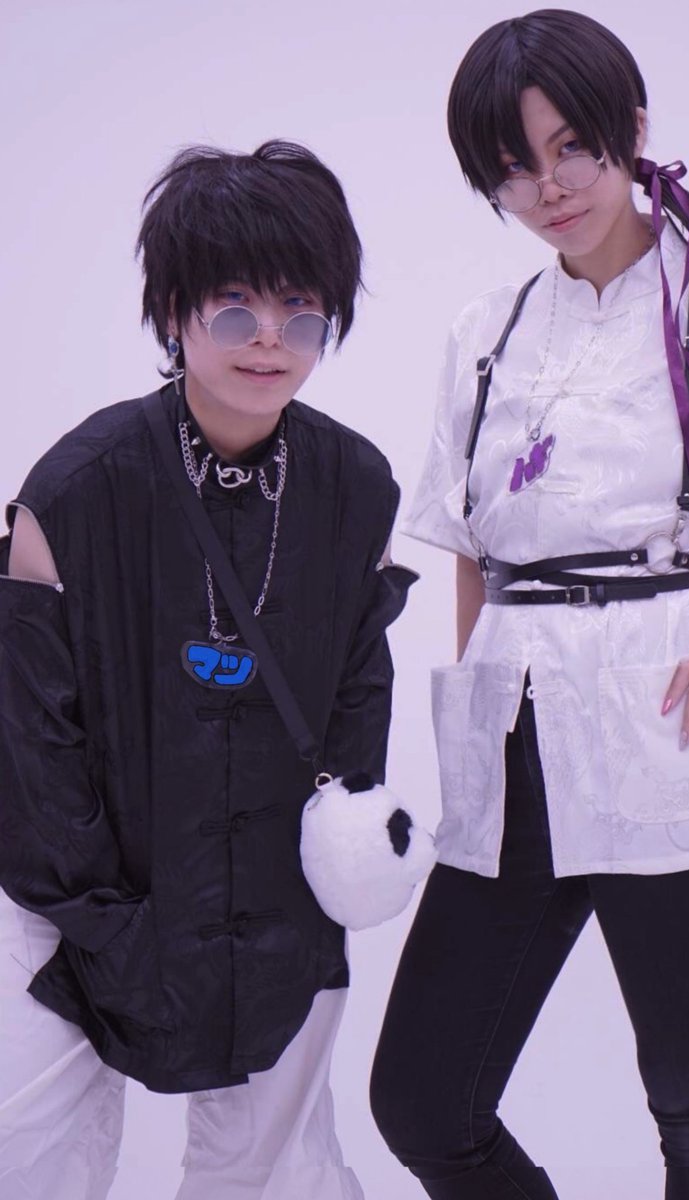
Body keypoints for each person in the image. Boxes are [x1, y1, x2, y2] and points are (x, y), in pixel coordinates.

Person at [370, 10, 689, 1199]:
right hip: (511, 752)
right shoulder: (486, 332)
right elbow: (470, 544)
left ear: (632, 130)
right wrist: (472, 734)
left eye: (570, 147)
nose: (546, 186)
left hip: (666, 738)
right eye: (512, 165)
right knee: (422, 1101)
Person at [0, 139, 414, 1200]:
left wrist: (341, 858)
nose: (268, 339)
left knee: (269, 1175)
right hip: (72, 905)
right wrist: (110, 922)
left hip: (279, 910)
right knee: (29, 1153)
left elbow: (356, 702)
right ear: (175, 311)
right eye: (234, 309)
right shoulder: (76, 489)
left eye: (300, 311)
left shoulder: (355, 486)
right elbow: (33, 741)